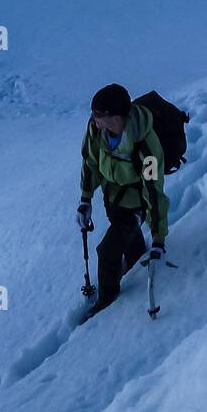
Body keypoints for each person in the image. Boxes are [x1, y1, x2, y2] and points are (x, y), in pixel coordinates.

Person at [77, 83, 169, 317]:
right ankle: (136, 256)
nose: (94, 120)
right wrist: (85, 199)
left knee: (107, 251)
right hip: (113, 196)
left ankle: (106, 302)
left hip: (137, 203)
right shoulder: (96, 130)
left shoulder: (145, 146)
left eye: (99, 115)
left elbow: (154, 191)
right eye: (94, 115)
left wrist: (158, 239)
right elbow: (90, 163)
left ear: (116, 117)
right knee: (127, 238)